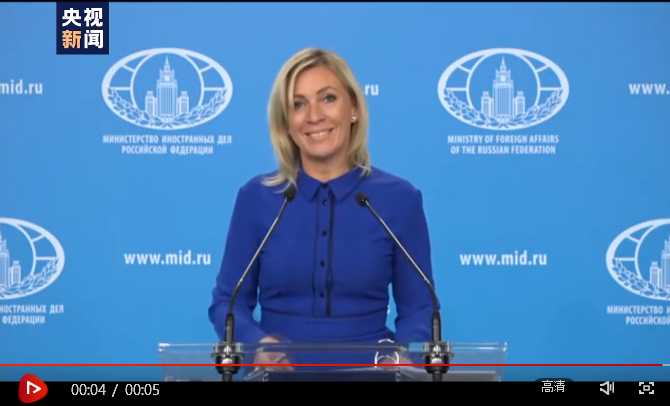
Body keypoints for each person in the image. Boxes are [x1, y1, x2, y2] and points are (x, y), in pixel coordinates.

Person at [208, 47, 438, 373]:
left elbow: (420, 307)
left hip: (375, 374)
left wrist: (403, 356)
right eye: (298, 104)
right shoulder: (257, 198)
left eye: (328, 98)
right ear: (286, 122)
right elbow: (227, 304)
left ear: (354, 108)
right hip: (277, 374)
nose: (314, 115)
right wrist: (257, 346)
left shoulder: (399, 199)